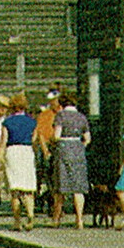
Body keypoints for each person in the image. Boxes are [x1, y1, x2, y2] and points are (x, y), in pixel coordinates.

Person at [50, 93, 92, 230]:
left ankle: (56, 219)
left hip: (63, 150)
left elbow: (56, 135)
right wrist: (80, 146)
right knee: (78, 187)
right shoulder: (82, 117)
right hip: (78, 150)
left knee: (61, 186)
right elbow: (88, 138)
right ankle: (79, 219)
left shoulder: (60, 116)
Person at [0, 93, 39, 231]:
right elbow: (34, 138)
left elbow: (3, 141)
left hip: (12, 152)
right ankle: (30, 215)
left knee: (15, 191)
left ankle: (17, 222)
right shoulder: (32, 121)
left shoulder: (7, 122)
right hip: (27, 152)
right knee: (28, 189)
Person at [32, 88, 60, 215]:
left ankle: (57, 205)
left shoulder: (63, 113)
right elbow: (40, 134)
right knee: (46, 175)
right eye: (52, 101)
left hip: (60, 147)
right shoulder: (45, 115)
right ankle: (46, 202)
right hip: (48, 147)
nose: (54, 103)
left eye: (56, 100)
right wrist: (45, 151)